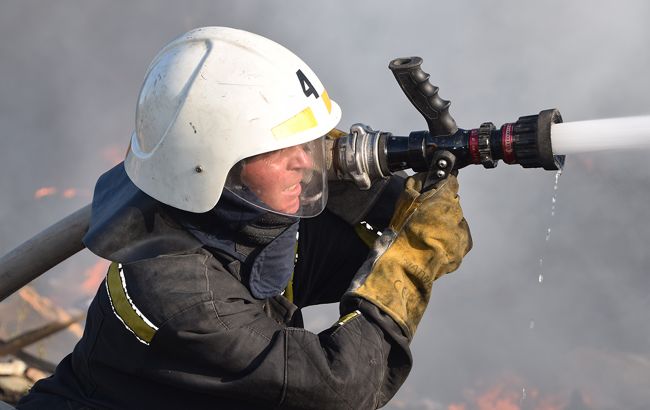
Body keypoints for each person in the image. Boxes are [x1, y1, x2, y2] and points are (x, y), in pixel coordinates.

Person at [17, 27, 471, 409]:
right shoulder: (183, 294)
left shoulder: (227, 216)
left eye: (310, 142)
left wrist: (402, 198)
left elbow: (358, 252)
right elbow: (341, 386)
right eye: (281, 149)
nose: (307, 162)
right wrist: (414, 258)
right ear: (216, 165)